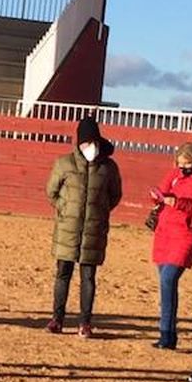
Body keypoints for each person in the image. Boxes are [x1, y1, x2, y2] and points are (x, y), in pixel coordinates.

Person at [44, 117, 123, 338]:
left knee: (88, 277)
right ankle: (57, 319)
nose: (91, 147)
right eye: (86, 143)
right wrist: (65, 207)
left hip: (93, 231)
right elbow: (51, 192)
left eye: (93, 143)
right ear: (79, 143)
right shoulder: (64, 163)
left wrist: (100, 211)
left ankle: (84, 322)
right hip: (67, 229)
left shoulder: (108, 167)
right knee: (63, 274)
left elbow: (115, 195)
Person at [149, 142, 192, 350]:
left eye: (187, 163)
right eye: (180, 164)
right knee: (165, 282)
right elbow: (161, 192)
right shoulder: (174, 174)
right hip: (165, 231)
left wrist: (177, 203)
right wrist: (156, 198)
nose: (183, 167)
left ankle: (166, 334)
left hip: (185, 233)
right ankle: (168, 334)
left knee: (168, 280)